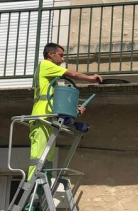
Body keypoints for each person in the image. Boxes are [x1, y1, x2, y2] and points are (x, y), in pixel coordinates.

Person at [28, 42, 103, 182]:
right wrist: (90, 78)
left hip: (49, 120)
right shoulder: (45, 65)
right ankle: (32, 190)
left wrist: (74, 109)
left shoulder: (51, 80)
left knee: (47, 159)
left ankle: (42, 189)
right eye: (61, 55)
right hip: (41, 118)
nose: (63, 59)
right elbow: (71, 73)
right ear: (50, 54)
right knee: (38, 158)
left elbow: (56, 101)